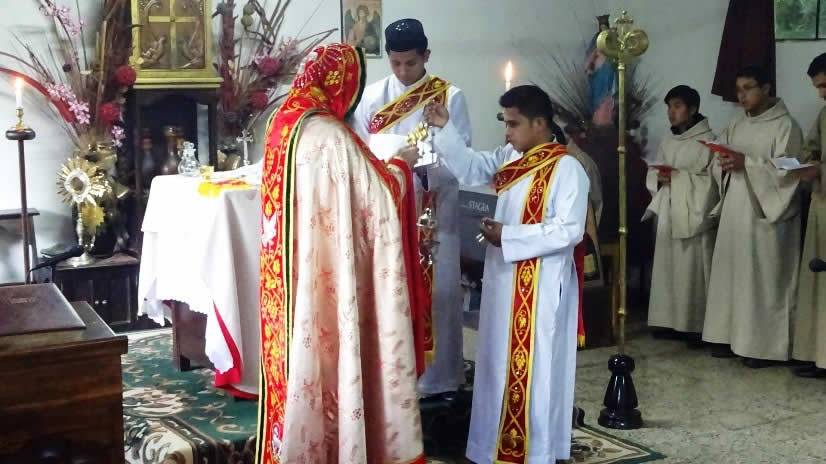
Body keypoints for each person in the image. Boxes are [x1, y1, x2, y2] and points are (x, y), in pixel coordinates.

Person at [257, 43, 426, 464]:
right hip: (327, 272)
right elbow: (379, 199)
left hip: (292, 272)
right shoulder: (330, 135)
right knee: (332, 356)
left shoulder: (283, 122)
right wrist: (402, 167)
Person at [424, 85, 589, 463]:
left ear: (540, 123)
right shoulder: (509, 157)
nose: (507, 132)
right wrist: (446, 127)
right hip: (504, 279)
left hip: (541, 286)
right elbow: (470, 168)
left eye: (514, 124)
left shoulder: (567, 169)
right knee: (496, 365)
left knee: (536, 369)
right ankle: (491, 448)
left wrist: (509, 235)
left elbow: (569, 230)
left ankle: (535, 452)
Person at [352, 18, 473, 400]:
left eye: (411, 63)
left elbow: (461, 158)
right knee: (393, 293)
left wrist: (419, 164)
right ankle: (393, 379)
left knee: (440, 296)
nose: (403, 71)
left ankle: (440, 380)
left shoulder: (450, 97)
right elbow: (360, 152)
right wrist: (392, 164)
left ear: (426, 56)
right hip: (389, 210)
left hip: (434, 212)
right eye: (396, 63)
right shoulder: (372, 97)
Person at [702, 65, 806, 368]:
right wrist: (721, 163)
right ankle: (731, 337)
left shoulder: (786, 126)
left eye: (748, 88)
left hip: (767, 215)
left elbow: (788, 171)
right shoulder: (735, 125)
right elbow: (718, 163)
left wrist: (746, 163)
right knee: (735, 272)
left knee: (763, 278)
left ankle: (764, 346)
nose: (742, 96)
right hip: (736, 209)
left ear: (766, 89)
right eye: (738, 90)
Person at [645, 85, 719, 345]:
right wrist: (659, 177)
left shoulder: (709, 142)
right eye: (669, 107)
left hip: (693, 215)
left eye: (677, 106)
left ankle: (694, 326)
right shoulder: (669, 140)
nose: (671, 112)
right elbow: (654, 173)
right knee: (667, 269)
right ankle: (667, 321)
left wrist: (678, 178)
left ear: (693, 109)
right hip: (669, 211)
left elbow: (713, 183)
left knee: (691, 271)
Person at [791, 53, 826, 378]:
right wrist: (808, 160)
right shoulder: (825, 112)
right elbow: (812, 146)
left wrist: (821, 170)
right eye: (818, 87)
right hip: (821, 205)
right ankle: (819, 356)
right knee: (819, 284)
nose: (821, 93)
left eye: (825, 85)